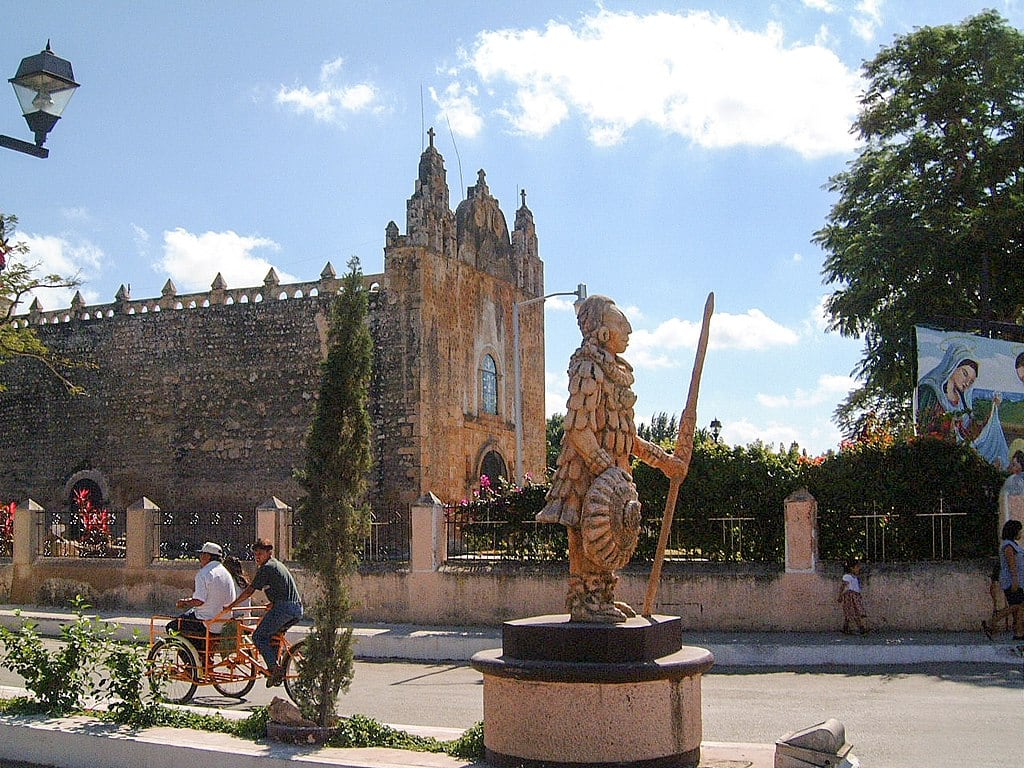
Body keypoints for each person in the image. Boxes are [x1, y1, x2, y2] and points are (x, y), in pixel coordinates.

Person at [537, 294, 687, 623]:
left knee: (608, 538)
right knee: (587, 537)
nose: (629, 328)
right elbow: (579, 431)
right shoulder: (588, 368)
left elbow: (625, 437)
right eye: (621, 323)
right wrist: (606, 471)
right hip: (584, 472)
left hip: (611, 475)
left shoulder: (615, 374)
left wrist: (664, 462)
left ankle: (603, 597)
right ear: (603, 332)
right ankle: (585, 602)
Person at [915, 341, 1008, 467]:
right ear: (953, 365)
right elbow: (923, 429)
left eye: (971, 381)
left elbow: (971, 433)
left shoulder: (963, 403)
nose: (966, 382)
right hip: (934, 459)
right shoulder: (930, 391)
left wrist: (993, 408)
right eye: (965, 374)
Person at [225, 538, 302, 686]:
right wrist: (273, 602)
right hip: (295, 608)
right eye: (255, 554)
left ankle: (274, 669)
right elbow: (283, 588)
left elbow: (250, 591)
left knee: (259, 637)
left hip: (284, 609)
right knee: (272, 636)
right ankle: (274, 670)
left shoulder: (267, 568)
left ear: (269, 553)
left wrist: (231, 606)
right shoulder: (277, 565)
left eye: (260, 553)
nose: (257, 557)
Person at [166, 541, 238, 654]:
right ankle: (201, 656)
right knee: (189, 617)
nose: (200, 558)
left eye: (201, 555)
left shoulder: (204, 573)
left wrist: (184, 602)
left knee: (172, 627)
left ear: (207, 556)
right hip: (223, 621)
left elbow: (199, 601)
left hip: (206, 622)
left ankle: (191, 663)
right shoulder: (226, 573)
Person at [991, 519, 1024, 641]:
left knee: (1020, 606)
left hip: (1018, 581)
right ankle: (993, 621)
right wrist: (1015, 581)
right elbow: (1012, 565)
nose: (1021, 533)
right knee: (1017, 605)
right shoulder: (1008, 546)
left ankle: (1019, 632)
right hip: (1011, 581)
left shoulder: (1014, 544)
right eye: (1019, 531)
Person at [838, 559, 868, 635]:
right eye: (857, 567)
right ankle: (861, 628)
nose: (858, 568)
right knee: (854, 612)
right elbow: (843, 586)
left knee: (851, 612)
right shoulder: (847, 576)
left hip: (855, 596)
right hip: (850, 596)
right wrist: (840, 595)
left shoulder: (855, 577)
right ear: (852, 568)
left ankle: (846, 628)